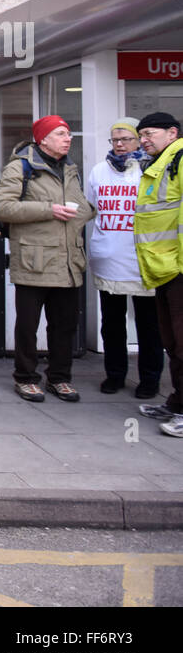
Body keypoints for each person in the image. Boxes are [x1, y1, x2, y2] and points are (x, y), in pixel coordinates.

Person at [0, 115, 93, 403]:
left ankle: (60, 378)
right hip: (34, 260)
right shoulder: (20, 167)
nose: (68, 138)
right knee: (27, 325)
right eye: (61, 133)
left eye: (69, 133)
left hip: (68, 261)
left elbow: (80, 205)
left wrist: (88, 212)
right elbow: (3, 207)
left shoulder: (70, 168)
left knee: (64, 326)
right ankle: (25, 378)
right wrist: (49, 209)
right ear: (43, 139)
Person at [86, 118, 164, 396]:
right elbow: (91, 208)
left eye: (126, 139)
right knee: (112, 324)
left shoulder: (151, 170)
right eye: (114, 140)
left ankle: (150, 379)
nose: (119, 145)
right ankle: (115, 375)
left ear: (138, 140)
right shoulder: (98, 172)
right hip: (108, 259)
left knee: (148, 327)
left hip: (142, 261)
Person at [132, 112, 183, 438]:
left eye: (149, 133)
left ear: (172, 132)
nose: (144, 140)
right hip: (164, 268)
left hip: (178, 268)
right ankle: (177, 402)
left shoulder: (179, 160)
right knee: (173, 343)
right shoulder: (162, 162)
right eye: (142, 135)